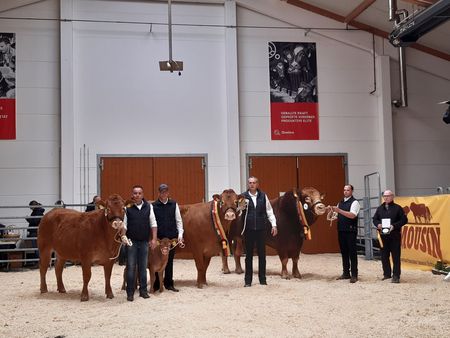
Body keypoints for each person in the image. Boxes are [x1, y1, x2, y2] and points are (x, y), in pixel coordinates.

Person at [242, 176, 277, 287]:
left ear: (257, 184)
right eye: (250, 183)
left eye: (254, 183)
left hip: (261, 229)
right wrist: (241, 206)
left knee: (262, 255)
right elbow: (239, 211)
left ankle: (263, 279)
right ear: (248, 184)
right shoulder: (243, 196)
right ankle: (248, 281)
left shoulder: (263, 196)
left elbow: (269, 211)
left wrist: (274, 225)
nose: (252, 184)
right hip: (248, 230)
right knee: (249, 256)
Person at [124, 185, 157, 301]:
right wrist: (123, 236)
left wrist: (154, 239)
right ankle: (130, 292)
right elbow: (124, 225)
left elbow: (153, 224)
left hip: (144, 242)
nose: (137, 195)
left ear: (142, 195)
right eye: (135, 193)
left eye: (139, 193)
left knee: (143, 267)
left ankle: (143, 291)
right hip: (131, 242)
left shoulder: (149, 207)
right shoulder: (127, 208)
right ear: (132, 195)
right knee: (131, 267)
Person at [152, 183, 184, 292]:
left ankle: (169, 283)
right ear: (159, 193)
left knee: (169, 261)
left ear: (168, 192)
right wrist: (153, 238)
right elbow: (152, 222)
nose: (164, 193)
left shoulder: (174, 204)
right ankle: (156, 284)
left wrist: (180, 235)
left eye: (165, 191)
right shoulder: (154, 206)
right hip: (159, 239)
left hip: (171, 239)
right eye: (161, 191)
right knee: (156, 260)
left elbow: (179, 221)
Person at [372, 190, 407, 283]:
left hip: (394, 236)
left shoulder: (398, 208)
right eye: (384, 196)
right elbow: (374, 219)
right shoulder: (379, 208)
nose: (386, 197)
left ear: (392, 197)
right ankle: (387, 274)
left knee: (395, 256)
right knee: (384, 256)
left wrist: (394, 226)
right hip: (383, 237)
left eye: (388, 196)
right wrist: (378, 224)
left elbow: (404, 220)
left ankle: (396, 276)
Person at [331, 184, 361, 283]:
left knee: (352, 253)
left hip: (350, 231)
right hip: (341, 230)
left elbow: (352, 215)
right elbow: (336, 215)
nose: (345, 192)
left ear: (352, 191)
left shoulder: (355, 202)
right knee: (344, 252)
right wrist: (331, 211)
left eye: (348, 190)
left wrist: (339, 210)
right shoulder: (340, 202)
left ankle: (354, 275)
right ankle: (346, 273)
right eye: (344, 190)